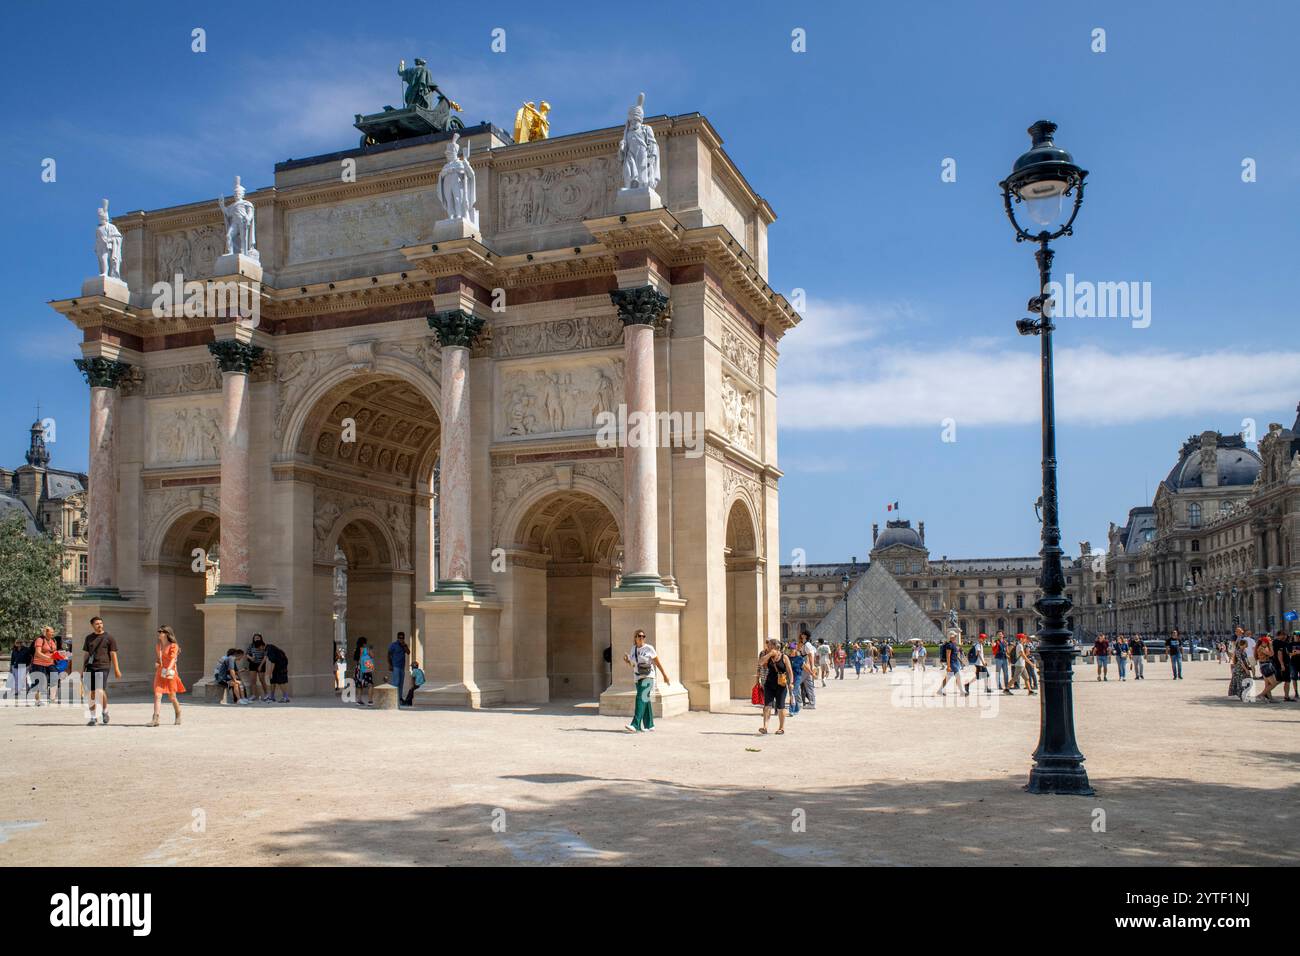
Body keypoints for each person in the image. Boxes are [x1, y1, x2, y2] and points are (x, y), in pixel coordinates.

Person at [624, 629, 670, 733]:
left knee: (640, 698)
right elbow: (633, 664)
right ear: (635, 638)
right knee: (645, 699)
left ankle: (635, 724)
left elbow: (657, 663)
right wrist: (627, 660)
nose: (641, 638)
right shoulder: (633, 649)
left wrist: (664, 675)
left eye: (643, 636)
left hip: (649, 676)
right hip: (638, 677)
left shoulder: (649, 648)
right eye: (639, 636)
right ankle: (650, 725)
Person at [81, 617, 120, 726]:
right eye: (97, 623)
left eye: (101, 623)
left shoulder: (109, 637)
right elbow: (86, 654)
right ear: (92, 625)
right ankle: (93, 717)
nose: (100, 625)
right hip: (90, 667)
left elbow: (113, 654)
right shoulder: (88, 638)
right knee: (90, 693)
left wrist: (117, 669)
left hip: (103, 666)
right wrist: (82, 669)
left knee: (99, 690)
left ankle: (105, 711)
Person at [150, 625, 186, 727]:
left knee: (172, 696)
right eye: (158, 631)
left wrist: (169, 669)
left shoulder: (173, 646)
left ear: (166, 634)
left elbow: (173, 659)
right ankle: (155, 719)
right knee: (157, 695)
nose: (159, 633)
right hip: (160, 672)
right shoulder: (158, 646)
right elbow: (159, 659)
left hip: (170, 673)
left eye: (161, 631)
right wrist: (157, 663)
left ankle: (178, 713)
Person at [757, 637, 794, 735]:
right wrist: (769, 654)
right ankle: (765, 727)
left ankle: (781, 728)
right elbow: (760, 663)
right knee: (767, 706)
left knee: (781, 707)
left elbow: (790, 671)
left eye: (769, 645)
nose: (767, 647)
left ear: (774, 646)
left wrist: (791, 683)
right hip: (769, 684)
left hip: (781, 685)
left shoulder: (784, 657)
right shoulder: (767, 656)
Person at [30, 626, 58, 705]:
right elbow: (37, 653)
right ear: (46, 632)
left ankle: (52, 699)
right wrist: (48, 657)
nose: (53, 633)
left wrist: (61, 655)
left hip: (50, 663)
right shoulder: (40, 640)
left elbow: (54, 652)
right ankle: (37, 700)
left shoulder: (53, 641)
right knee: (40, 682)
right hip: (39, 663)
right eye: (51, 632)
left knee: (55, 678)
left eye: (53, 632)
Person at [935, 630, 966, 696]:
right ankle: (962, 692)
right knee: (958, 675)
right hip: (952, 663)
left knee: (948, 677)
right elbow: (948, 656)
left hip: (955, 662)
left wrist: (960, 661)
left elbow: (955, 654)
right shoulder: (949, 645)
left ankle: (940, 690)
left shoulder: (953, 644)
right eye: (954, 636)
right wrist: (948, 666)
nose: (955, 636)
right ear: (951, 637)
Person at [1255, 633, 1279, 702]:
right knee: (1274, 683)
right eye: (1268, 642)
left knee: (1267, 684)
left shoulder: (1262, 647)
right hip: (1266, 666)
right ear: (1264, 642)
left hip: (1265, 665)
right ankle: (1261, 695)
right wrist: (1271, 646)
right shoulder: (1261, 648)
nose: (1269, 643)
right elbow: (1271, 654)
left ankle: (1270, 698)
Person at [245, 634, 269, 702]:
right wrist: (251, 658)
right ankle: (253, 695)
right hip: (253, 664)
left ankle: (266, 694)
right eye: (255, 638)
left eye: (258, 638)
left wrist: (260, 665)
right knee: (253, 680)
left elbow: (265, 657)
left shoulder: (263, 645)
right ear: (253, 639)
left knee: (262, 680)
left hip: (261, 664)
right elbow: (247, 654)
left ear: (261, 638)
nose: (257, 639)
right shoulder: (251, 645)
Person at [796, 632, 817, 708]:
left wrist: (812, 667)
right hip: (806, 667)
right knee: (809, 686)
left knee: (796, 683)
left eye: (802, 634)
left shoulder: (807, 645)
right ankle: (812, 703)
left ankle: (799, 702)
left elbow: (810, 656)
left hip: (805, 668)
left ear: (805, 636)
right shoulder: (806, 644)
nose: (800, 635)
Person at [388, 632, 409, 704]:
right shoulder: (393, 645)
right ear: (397, 638)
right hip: (395, 666)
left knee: (401, 684)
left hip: (402, 667)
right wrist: (390, 665)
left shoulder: (404, 645)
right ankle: (393, 699)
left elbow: (408, 652)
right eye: (400, 638)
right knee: (395, 683)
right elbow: (389, 655)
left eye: (402, 638)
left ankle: (399, 698)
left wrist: (404, 646)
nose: (401, 639)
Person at [354, 637, 375, 706]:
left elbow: (356, 660)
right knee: (370, 684)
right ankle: (370, 701)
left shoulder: (356, 650)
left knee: (359, 685)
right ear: (364, 643)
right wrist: (371, 649)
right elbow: (372, 656)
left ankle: (359, 700)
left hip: (358, 669)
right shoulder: (366, 650)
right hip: (366, 668)